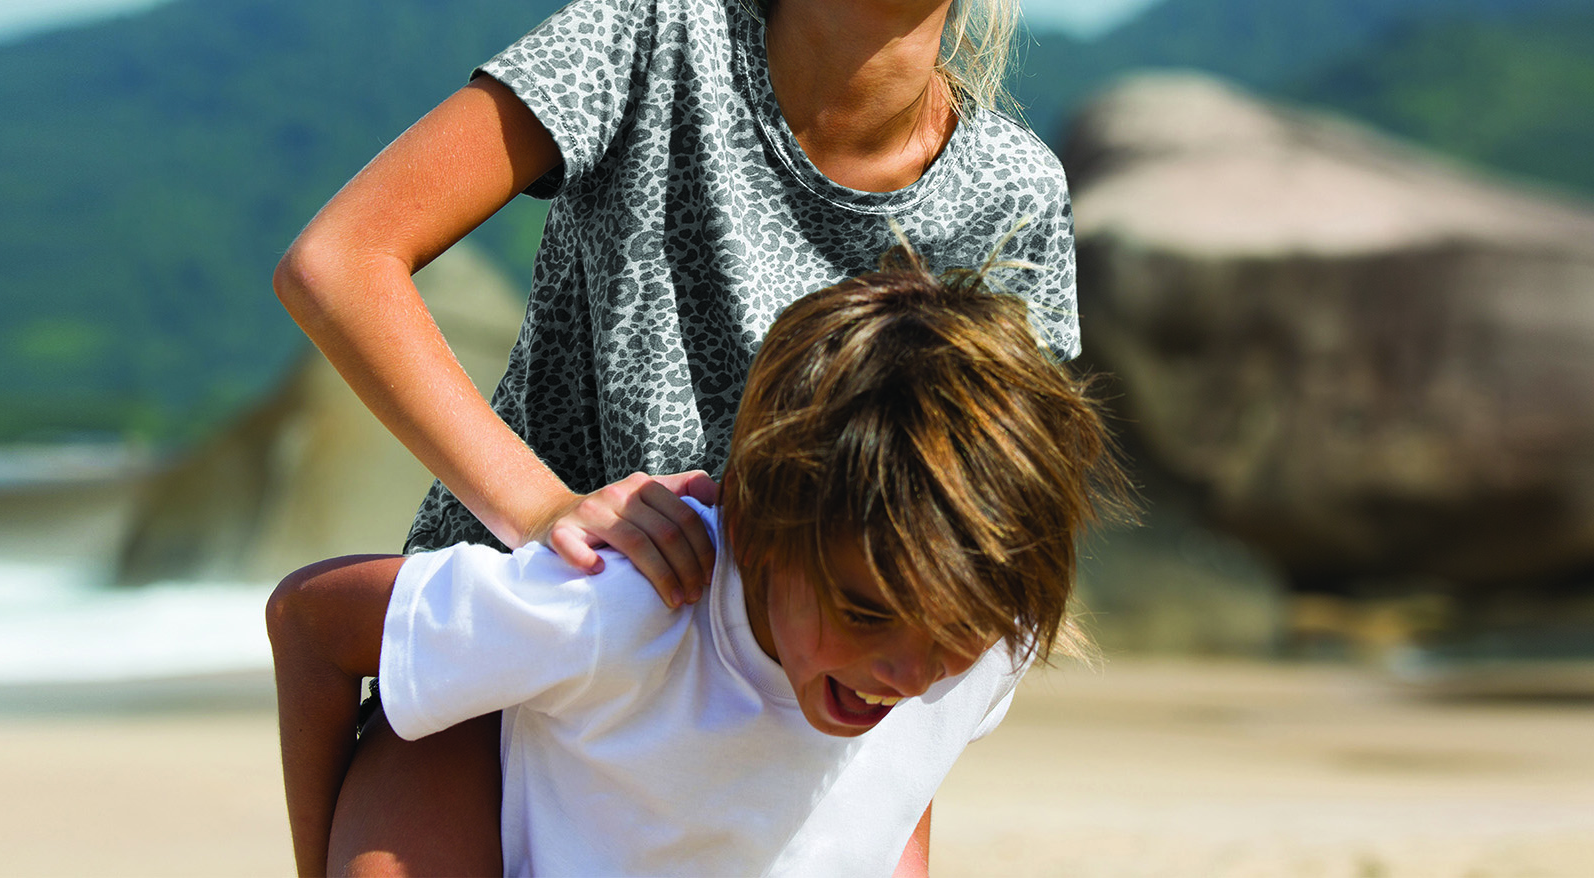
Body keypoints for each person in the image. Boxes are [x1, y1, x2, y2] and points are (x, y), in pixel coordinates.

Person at [273, 0, 1079, 873]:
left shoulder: (1013, 190)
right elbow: (339, 260)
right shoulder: (659, 31)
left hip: (819, 647)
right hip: (543, 621)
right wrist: (541, 511)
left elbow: (987, 513)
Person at [269, 246, 1124, 877]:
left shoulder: (989, 634)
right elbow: (310, 619)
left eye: (951, 637)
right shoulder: (624, 611)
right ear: (749, 529)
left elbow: (900, 781)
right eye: (864, 612)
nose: (907, 674)